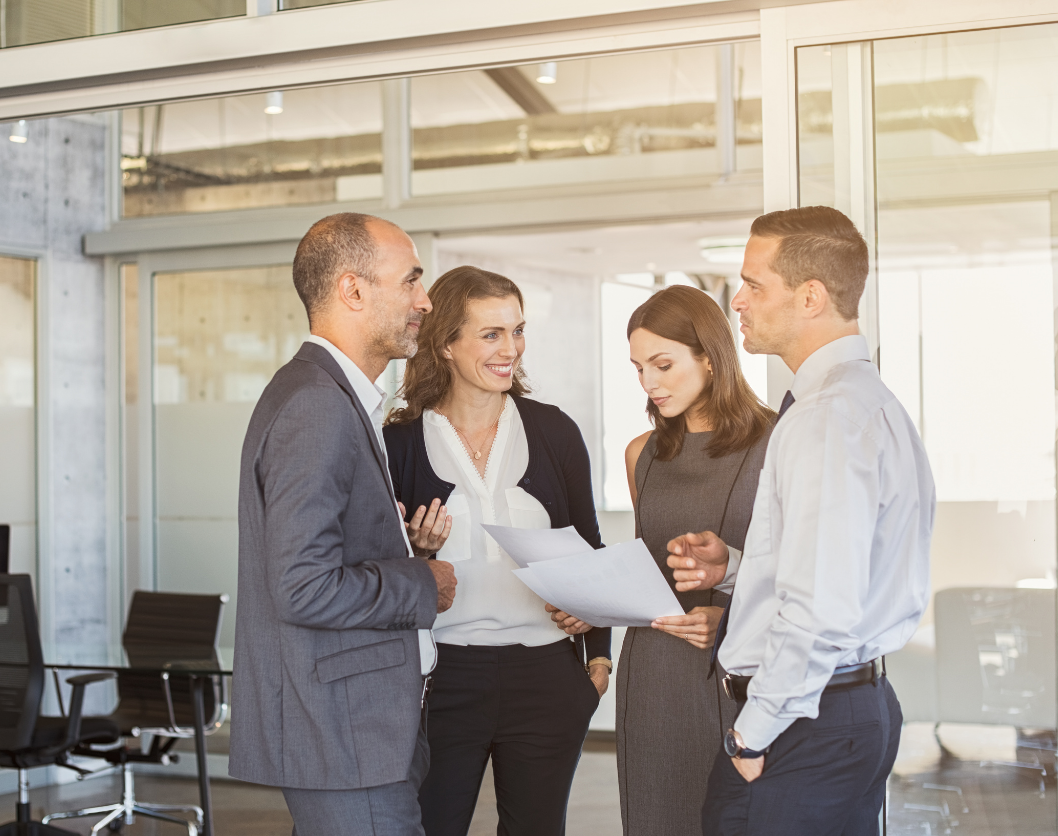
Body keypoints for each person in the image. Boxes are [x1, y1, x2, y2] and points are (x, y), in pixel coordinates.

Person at [668, 206, 934, 835]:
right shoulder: (867, 403)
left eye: (755, 285)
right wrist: (737, 568)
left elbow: (821, 606)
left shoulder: (827, 417)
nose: (739, 301)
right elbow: (845, 569)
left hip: (803, 723)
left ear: (810, 296)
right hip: (838, 711)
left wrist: (752, 734)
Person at [229, 212, 458, 836]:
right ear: (352, 291)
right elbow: (303, 585)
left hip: (358, 730)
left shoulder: (329, 394)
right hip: (342, 735)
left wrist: (399, 547)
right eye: (411, 281)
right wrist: (421, 582)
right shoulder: (317, 406)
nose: (426, 300)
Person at [383, 266, 611, 836]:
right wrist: (414, 552)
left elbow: (589, 548)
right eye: (491, 334)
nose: (510, 348)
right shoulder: (400, 442)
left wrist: (598, 658)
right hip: (442, 680)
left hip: (546, 675)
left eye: (517, 330)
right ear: (445, 344)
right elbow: (374, 567)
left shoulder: (553, 431)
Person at [547, 284, 774, 836]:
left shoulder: (777, 441)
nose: (648, 382)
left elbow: (798, 570)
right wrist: (593, 604)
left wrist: (732, 618)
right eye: (638, 367)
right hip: (653, 674)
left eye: (663, 364)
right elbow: (649, 569)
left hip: (740, 668)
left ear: (711, 358)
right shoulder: (640, 454)